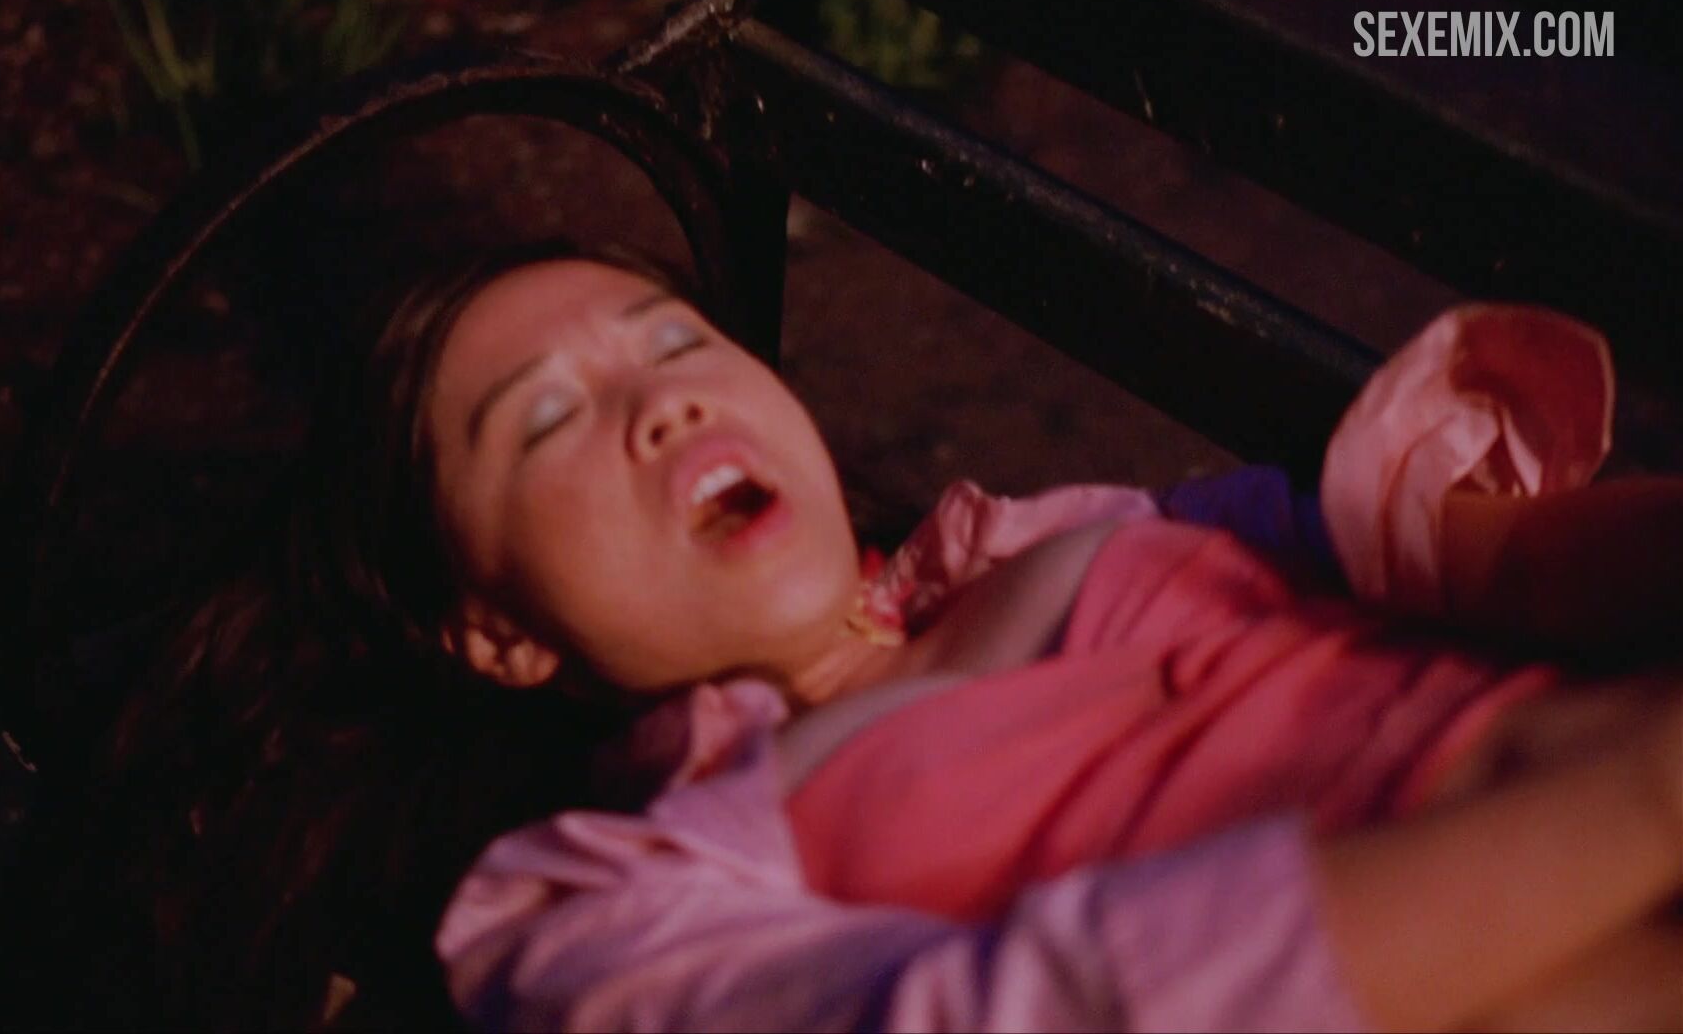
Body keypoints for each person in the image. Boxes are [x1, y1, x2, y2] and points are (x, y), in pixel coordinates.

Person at [94, 239, 1682, 1030]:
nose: (665, 402)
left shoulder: (1075, 535)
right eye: (550, 419)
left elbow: (1478, 561)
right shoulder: (607, 907)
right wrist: (1643, 798)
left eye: (675, 339)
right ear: (493, 631)